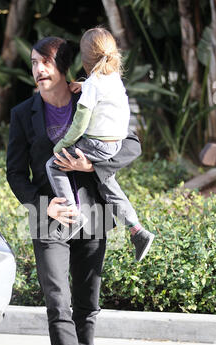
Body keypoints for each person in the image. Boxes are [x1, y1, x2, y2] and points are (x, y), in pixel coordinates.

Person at [6, 35, 142, 345]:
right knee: (57, 301)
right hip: (49, 219)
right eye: (33, 63)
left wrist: (93, 165)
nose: (37, 70)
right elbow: (15, 173)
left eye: (44, 63)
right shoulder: (22, 113)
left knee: (88, 303)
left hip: (94, 215)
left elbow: (131, 144)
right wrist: (42, 207)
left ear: (63, 67)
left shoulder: (92, 96)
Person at [46, 27, 154, 261]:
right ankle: (137, 230)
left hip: (97, 144)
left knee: (54, 165)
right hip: (115, 143)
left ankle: (72, 217)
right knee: (106, 181)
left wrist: (63, 145)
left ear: (84, 59)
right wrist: (84, 86)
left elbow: (79, 124)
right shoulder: (112, 78)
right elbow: (101, 91)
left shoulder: (93, 85)